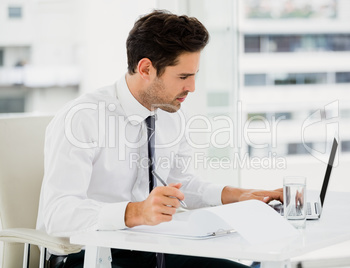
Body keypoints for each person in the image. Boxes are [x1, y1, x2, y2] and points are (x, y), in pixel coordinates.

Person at [36, 10, 283, 268]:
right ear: (146, 69)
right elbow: (58, 213)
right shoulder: (82, 118)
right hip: (88, 255)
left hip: (155, 248)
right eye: (183, 77)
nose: (192, 87)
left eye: (194, 75)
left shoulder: (171, 114)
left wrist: (235, 195)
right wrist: (136, 212)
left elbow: (181, 183)